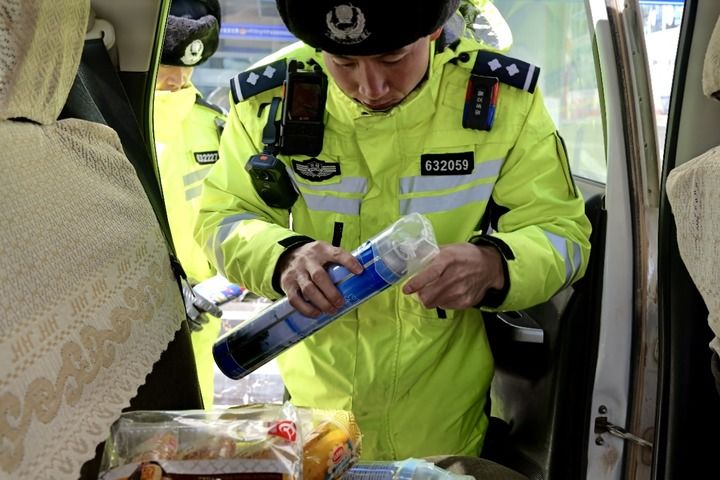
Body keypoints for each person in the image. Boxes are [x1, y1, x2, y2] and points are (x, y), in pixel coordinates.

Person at [195, 0, 591, 460]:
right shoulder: (269, 99)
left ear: (432, 32)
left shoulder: (503, 101)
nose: (371, 87)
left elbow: (562, 233)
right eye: (343, 63)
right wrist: (283, 257)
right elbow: (222, 219)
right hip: (315, 413)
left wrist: (494, 265)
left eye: (393, 59)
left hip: (445, 420)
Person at [154, 0, 225, 409]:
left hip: (202, 310)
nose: (179, 80)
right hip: (132, 314)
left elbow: (231, 211)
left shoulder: (214, 125)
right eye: (167, 69)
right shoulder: (105, 122)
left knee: (195, 424)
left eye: (186, 72)